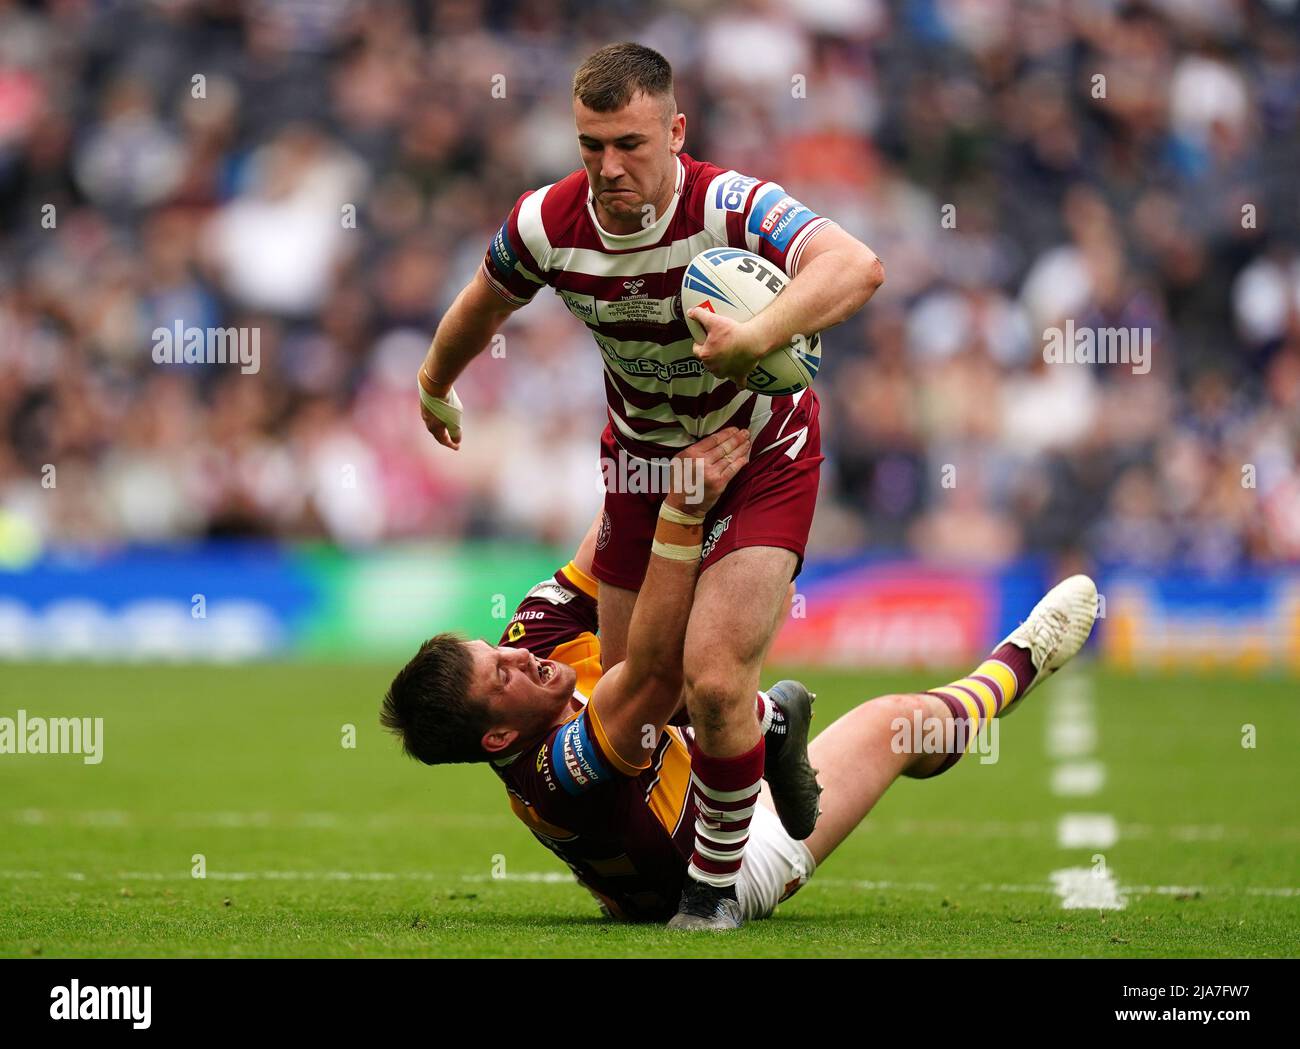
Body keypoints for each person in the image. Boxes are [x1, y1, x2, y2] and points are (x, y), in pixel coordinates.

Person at [415, 41, 886, 927]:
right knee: (647, 698)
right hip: (640, 465)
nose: (608, 166)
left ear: (676, 130)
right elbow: (483, 300)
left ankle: (712, 893)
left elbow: (856, 266)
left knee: (709, 678)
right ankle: (769, 729)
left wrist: (756, 338)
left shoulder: (730, 202)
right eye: (591, 145)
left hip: (761, 446)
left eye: (629, 143)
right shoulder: (548, 223)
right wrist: (436, 381)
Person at [381, 429, 1101, 928]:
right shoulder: (553, 776)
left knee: (688, 673)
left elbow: (608, 546)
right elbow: (654, 673)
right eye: (499, 674)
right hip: (720, 860)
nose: (516, 654)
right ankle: (1023, 658)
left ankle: (765, 726)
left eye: (494, 649)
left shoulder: (530, 642)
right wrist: (685, 507)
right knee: (886, 721)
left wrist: (659, 439)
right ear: (499, 733)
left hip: (694, 760)